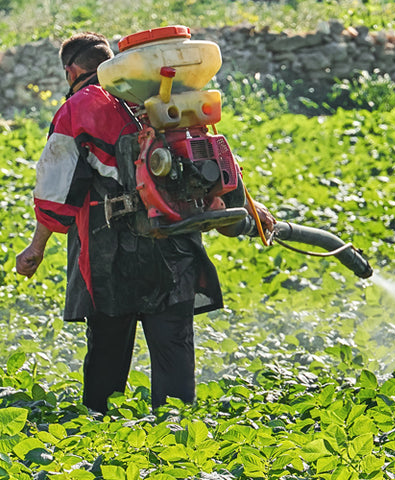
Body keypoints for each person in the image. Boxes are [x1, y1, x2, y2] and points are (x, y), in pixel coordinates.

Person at [16, 31, 275, 414]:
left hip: (110, 256)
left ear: (72, 71)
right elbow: (214, 159)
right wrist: (251, 212)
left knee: (108, 347)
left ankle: (98, 430)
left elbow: (54, 194)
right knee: (173, 347)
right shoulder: (166, 98)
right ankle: (175, 439)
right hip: (176, 244)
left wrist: (35, 248)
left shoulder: (80, 109)